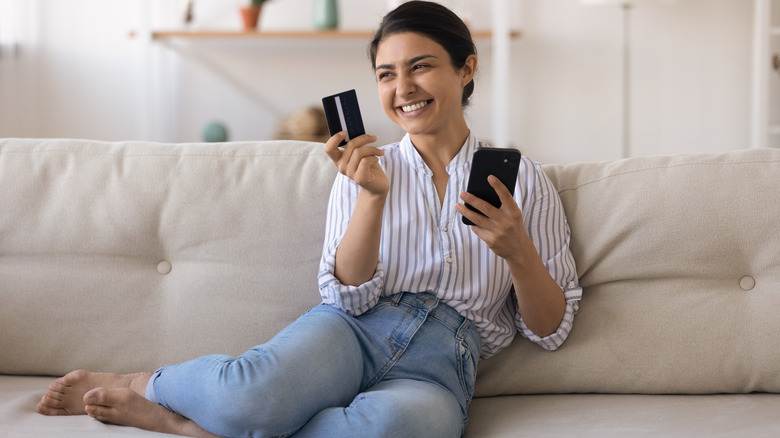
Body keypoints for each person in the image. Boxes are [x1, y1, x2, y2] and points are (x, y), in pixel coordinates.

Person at [36, 2, 582, 437]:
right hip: (352, 331)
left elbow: (551, 329)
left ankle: (197, 428)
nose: (403, 88)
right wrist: (369, 198)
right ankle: (147, 384)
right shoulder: (367, 168)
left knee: (399, 429)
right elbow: (343, 296)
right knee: (252, 395)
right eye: (386, 74)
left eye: (421, 66)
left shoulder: (524, 181)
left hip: (443, 361)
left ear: (466, 69)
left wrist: (517, 252)